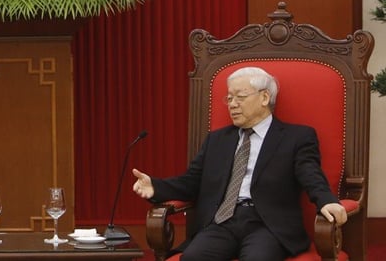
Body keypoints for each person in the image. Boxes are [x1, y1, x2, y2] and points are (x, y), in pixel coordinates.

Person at [131, 67, 348, 260]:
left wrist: (326, 200)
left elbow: (310, 174)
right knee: (193, 257)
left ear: (264, 97)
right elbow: (192, 181)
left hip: (267, 225)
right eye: (229, 98)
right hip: (221, 221)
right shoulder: (217, 140)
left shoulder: (296, 137)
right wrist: (156, 186)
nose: (232, 104)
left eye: (240, 97)